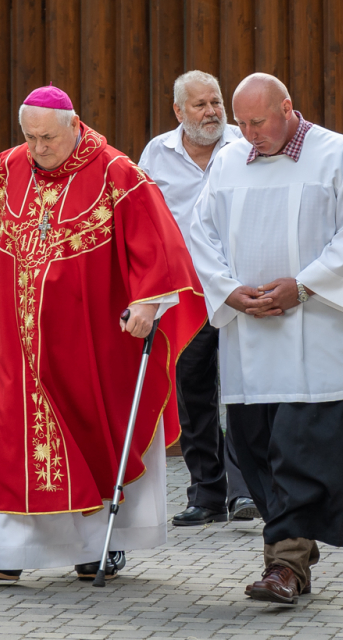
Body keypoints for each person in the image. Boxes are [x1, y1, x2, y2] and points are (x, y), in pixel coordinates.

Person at [0, 84, 206, 581]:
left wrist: (147, 303)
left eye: (48, 138)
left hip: (89, 340)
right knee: (10, 433)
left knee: (94, 436)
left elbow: (158, 246)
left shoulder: (116, 173)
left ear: (74, 125)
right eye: (30, 137)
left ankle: (99, 545)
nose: (38, 148)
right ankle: (3, 548)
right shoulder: (4, 170)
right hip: (14, 339)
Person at [189, 73, 343, 604]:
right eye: (242, 123)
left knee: (303, 450)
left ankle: (285, 564)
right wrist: (227, 290)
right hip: (250, 338)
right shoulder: (228, 162)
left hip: (315, 337)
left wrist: (305, 286)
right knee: (255, 450)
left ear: (288, 108)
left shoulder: (338, 155)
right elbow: (200, 233)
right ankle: (291, 553)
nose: (249, 133)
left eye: (259, 121)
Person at [138, 70, 258, 527]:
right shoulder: (157, 154)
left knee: (243, 391)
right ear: (178, 111)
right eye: (200, 104)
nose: (212, 112)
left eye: (216, 102)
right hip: (185, 294)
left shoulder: (244, 147)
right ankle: (206, 495)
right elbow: (143, 222)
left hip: (235, 286)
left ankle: (245, 492)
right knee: (192, 391)